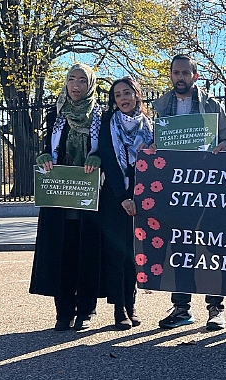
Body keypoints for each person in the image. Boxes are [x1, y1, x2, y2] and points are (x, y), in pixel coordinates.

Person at [153, 54, 226, 331]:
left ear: (195, 76)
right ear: (171, 75)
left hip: (207, 187)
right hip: (175, 188)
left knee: (212, 247)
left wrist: (223, 146)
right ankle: (181, 308)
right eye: (176, 73)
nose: (181, 77)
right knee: (180, 248)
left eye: (186, 73)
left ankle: (216, 309)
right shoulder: (161, 106)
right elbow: (157, 143)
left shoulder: (212, 105)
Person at [30, 63, 103, 331]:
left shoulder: (101, 116)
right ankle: (63, 311)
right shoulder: (56, 114)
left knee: (87, 252)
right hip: (59, 196)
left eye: (82, 80)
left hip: (89, 196)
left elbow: (109, 148)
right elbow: (46, 145)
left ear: (91, 84)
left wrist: (100, 156)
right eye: (72, 79)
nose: (76, 85)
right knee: (62, 251)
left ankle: (85, 310)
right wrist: (44, 154)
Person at [98, 77, 154, 329]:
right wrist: (123, 197)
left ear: (136, 95)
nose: (122, 98)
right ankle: (118, 308)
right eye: (118, 95)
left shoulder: (150, 126)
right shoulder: (108, 124)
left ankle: (131, 304)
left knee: (134, 255)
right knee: (117, 253)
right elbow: (108, 160)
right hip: (116, 197)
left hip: (142, 195)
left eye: (127, 93)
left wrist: (138, 196)